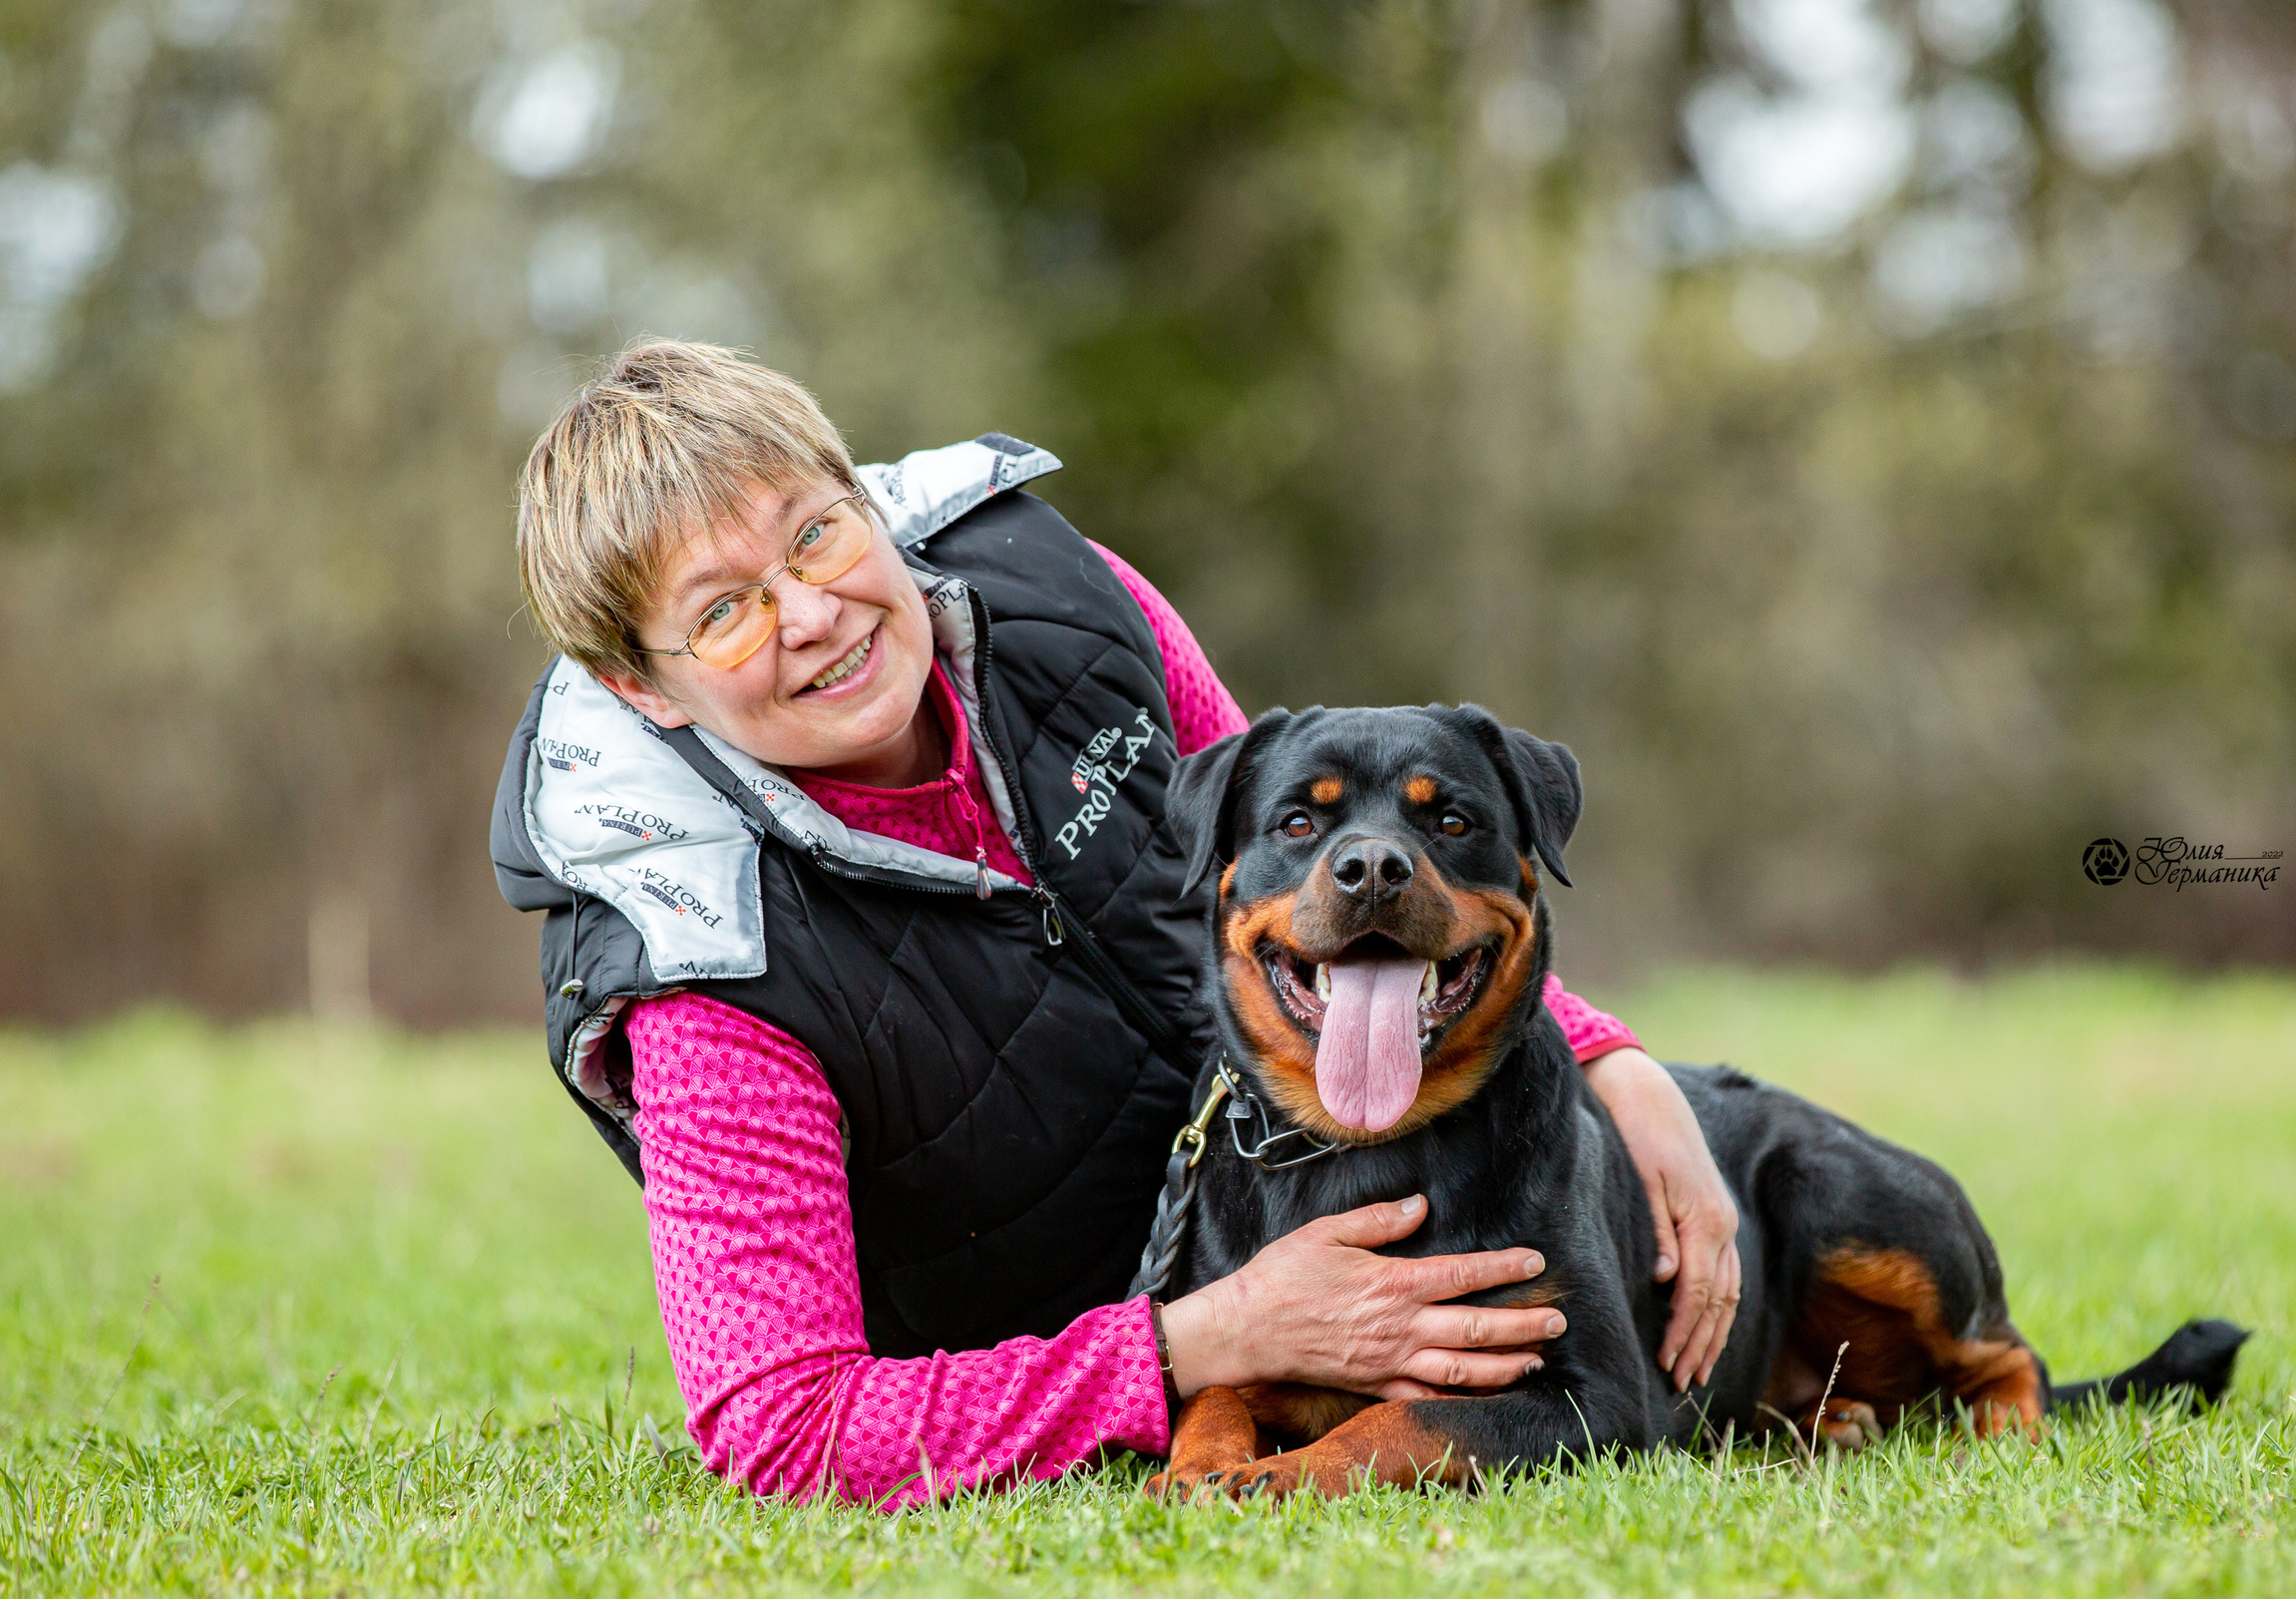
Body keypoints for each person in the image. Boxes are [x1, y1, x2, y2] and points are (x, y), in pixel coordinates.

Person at [489, 340, 1741, 1508]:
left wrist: (1606, 1059)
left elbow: (1296, 878)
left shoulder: (1072, 608)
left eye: (814, 536)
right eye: (724, 611)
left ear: (866, 502)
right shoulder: (695, 961)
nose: (809, 613)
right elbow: (779, 1421)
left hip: (1299, 1204)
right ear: (642, 688)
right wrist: (1207, 1340)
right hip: (1089, 1342)